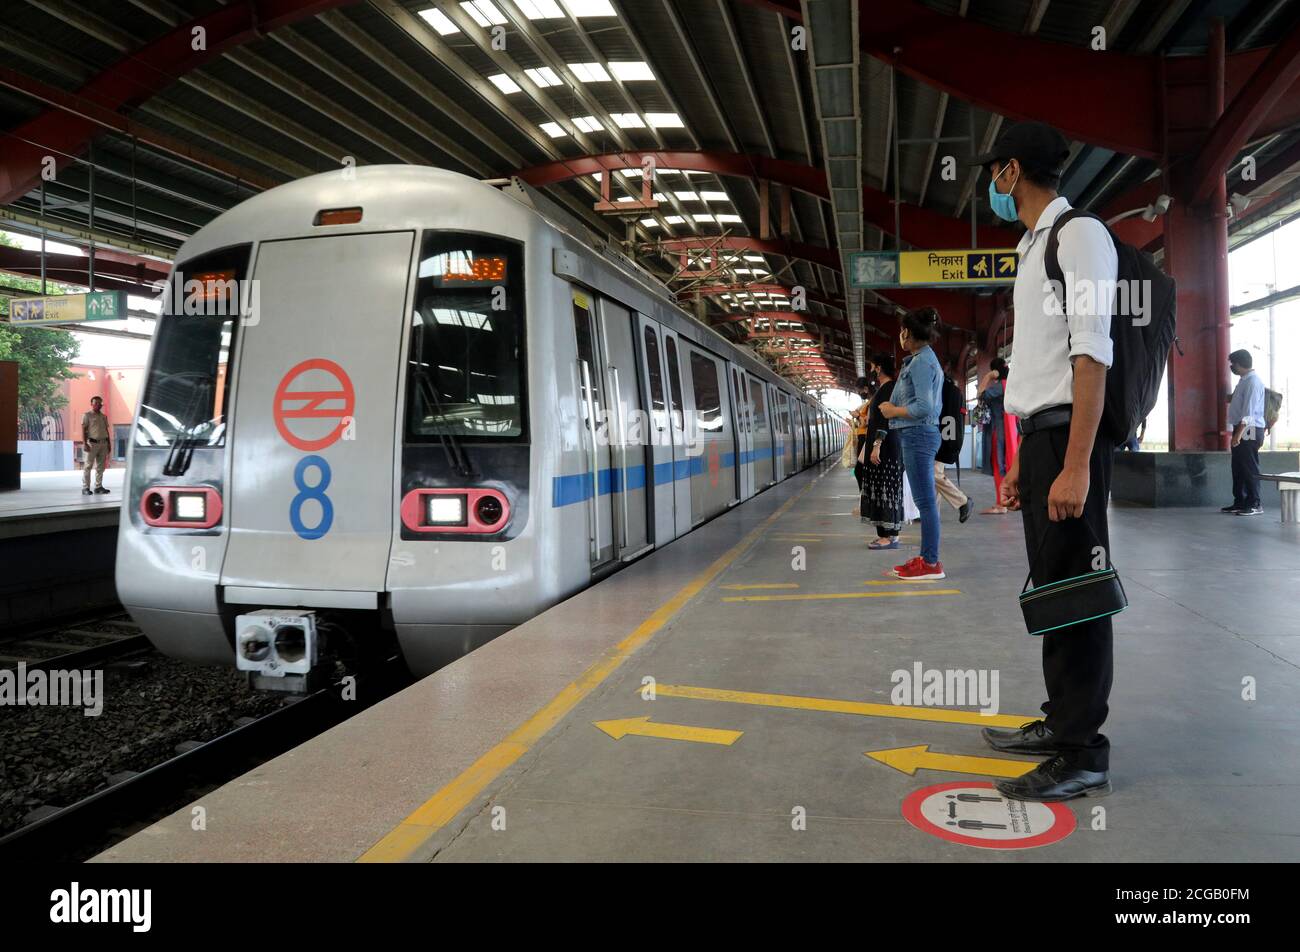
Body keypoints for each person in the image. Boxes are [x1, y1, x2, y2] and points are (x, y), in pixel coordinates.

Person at [971, 120, 1117, 801]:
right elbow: (1039, 363)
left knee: (1078, 599)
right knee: (1053, 592)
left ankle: (1082, 752)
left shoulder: (1078, 236)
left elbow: (1091, 353)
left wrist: (1076, 464)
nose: (988, 187)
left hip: (1068, 438)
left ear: (1010, 172)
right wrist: (1025, 458)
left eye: (991, 174)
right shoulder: (1034, 247)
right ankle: (1061, 723)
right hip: (1042, 437)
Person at [879, 307, 945, 579]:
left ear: (910, 333)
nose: (900, 334)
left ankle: (931, 564)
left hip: (918, 434)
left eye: (903, 330)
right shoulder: (921, 359)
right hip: (919, 435)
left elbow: (923, 407)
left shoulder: (920, 363)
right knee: (926, 502)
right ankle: (927, 558)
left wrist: (893, 412)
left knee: (926, 503)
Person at [858, 355, 905, 549]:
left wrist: (877, 445)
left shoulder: (889, 388)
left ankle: (890, 536)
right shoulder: (885, 388)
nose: (871, 371)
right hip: (884, 446)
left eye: (872, 367)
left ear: (878, 368)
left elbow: (885, 419)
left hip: (885, 448)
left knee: (887, 488)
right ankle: (885, 534)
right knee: (881, 488)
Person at [1224, 349, 1266, 515]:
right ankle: (1240, 501)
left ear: (1240, 364)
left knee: (1249, 467)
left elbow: (1248, 412)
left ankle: (1255, 503)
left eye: (1232, 364)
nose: (1231, 367)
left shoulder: (1253, 382)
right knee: (1238, 467)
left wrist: (1238, 434)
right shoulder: (1244, 380)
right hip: (1242, 428)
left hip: (1249, 429)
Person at [935, 369, 972, 523]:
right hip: (946, 438)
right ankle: (932, 515)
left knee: (933, 474)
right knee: (935, 478)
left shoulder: (937, 391)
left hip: (935, 439)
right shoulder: (952, 392)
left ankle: (962, 501)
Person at [978, 358, 1011, 513]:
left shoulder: (999, 388)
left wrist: (989, 376)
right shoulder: (1011, 385)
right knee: (1005, 464)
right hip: (1011, 430)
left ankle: (1002, 503)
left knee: (1000, 465)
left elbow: (980, 394)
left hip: (999, 431)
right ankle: (1004, 501)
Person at [81, 395, 111, 496]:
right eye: (96, 403)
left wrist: (109, 444)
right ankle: (85, 487)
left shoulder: (103, 417)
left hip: (103, 443)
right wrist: (84, 443)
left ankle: (98, 486)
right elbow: (83, 430)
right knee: (88, 466)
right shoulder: (87, 415)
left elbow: (106, 430)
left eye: (100, 403)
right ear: (92, 404)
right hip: (92, 444)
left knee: (100, 467)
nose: (98, 405)